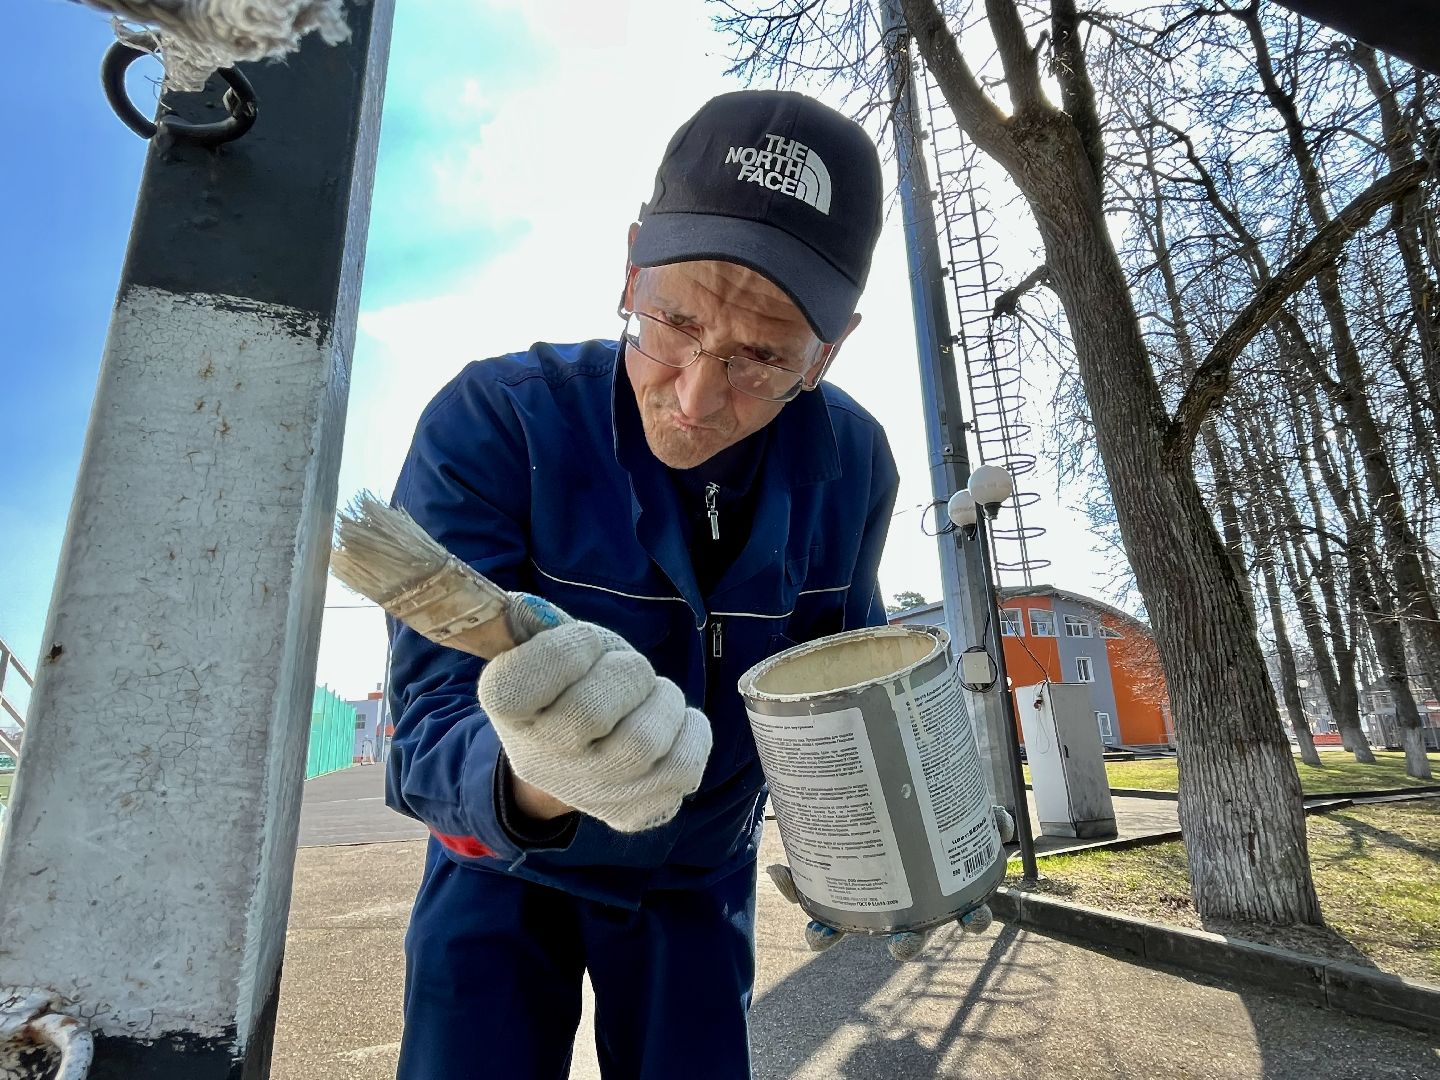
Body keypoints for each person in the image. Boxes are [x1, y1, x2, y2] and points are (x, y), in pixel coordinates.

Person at [384, 89, 994, 1080]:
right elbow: (422, 737)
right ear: (629, 268)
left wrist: (917, 827)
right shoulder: (494, 422)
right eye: (669, 322)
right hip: (500, 865)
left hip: (694, 873)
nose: (700, 395)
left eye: (760, 356)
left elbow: (842, 691)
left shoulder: (852, 463)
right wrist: (542, 774)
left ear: (826, 355)